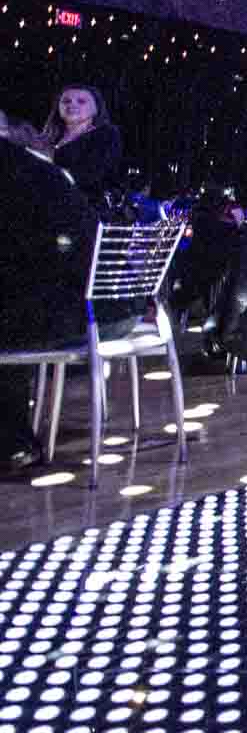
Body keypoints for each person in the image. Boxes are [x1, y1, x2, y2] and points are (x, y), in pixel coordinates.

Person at [0, 121, 96, 473]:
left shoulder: (19, 173)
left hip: (57, 314)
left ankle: (13, 442)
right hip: (93, 310)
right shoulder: (48, 174)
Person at [40, 85, 122, 195]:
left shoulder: (106, 134)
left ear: (97, 107)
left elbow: (91, 175)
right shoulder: (48, 137)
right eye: (66, 101)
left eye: (81, 101)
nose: (72, 105)